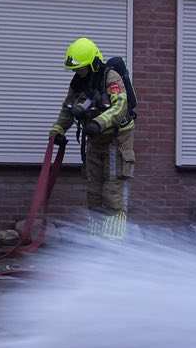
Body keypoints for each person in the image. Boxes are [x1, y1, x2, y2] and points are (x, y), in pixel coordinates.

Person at [48, 37, 135, 239]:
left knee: (112, 193)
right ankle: (96, 243)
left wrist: (99, 123)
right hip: (94, 140)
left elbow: (120, 106)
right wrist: (58, 130)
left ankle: (113, 246)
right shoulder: (79, 81)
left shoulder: (111, 77)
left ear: (93, 64)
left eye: (81, 68)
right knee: (94, 192)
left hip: (116, 141)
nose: (78, 73)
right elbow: (68, 108)